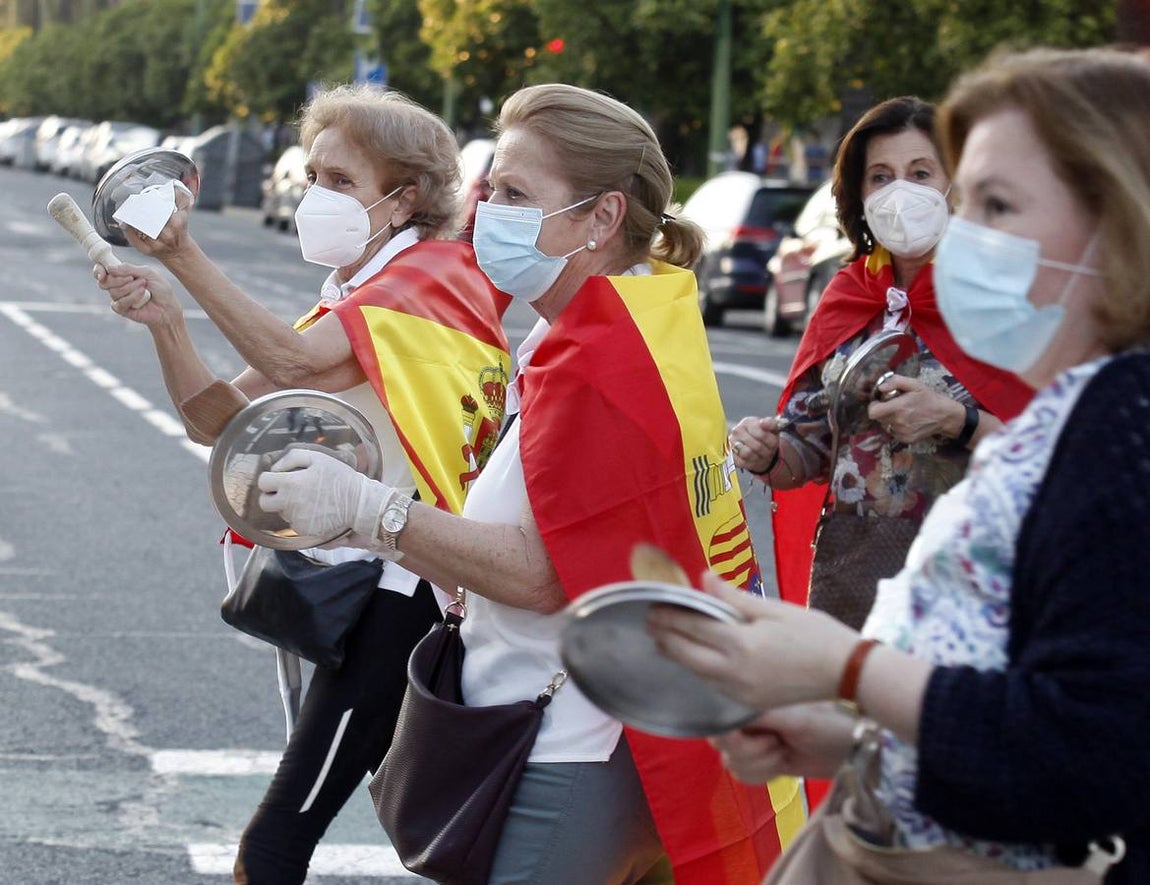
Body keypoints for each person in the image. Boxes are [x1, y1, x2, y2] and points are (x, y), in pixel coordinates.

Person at [257, 82, 807, 884]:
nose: (483, 211)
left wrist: (370, 510)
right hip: (608, 726)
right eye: (489, 187)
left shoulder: (598, 364)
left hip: (569, 742)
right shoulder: (618, 324)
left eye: (516, 194)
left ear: (602, 217)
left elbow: (544, 573)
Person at [650, 46, 1150, 883]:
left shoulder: (1123, 421)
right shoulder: (1082, 403)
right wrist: (856, 735)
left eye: (994, 203)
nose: (962, 231)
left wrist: (846, 669)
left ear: (1118, 219)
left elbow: (1090, 749)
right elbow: (1024, 697)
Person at [96, 84, 510, 884]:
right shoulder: (365, 292)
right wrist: (168, 323)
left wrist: (182, 252)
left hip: (409, 601)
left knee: (277, 842)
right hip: (375, 591)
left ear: (406, 198)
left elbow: (293, 367)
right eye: (313, 175)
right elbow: (221, 420)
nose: (315, 194)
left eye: (341, 181)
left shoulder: (429, 282)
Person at [729, 95, 1032, 631]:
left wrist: (957, 422)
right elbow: (810, 447)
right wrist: (768, 453)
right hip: (853, 575)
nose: (901, 192)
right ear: (858, 192)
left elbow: (1056, 455)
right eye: (881, 176)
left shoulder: (1011, 298)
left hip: (974, 576)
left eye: (921, 173)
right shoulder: (850, 295)